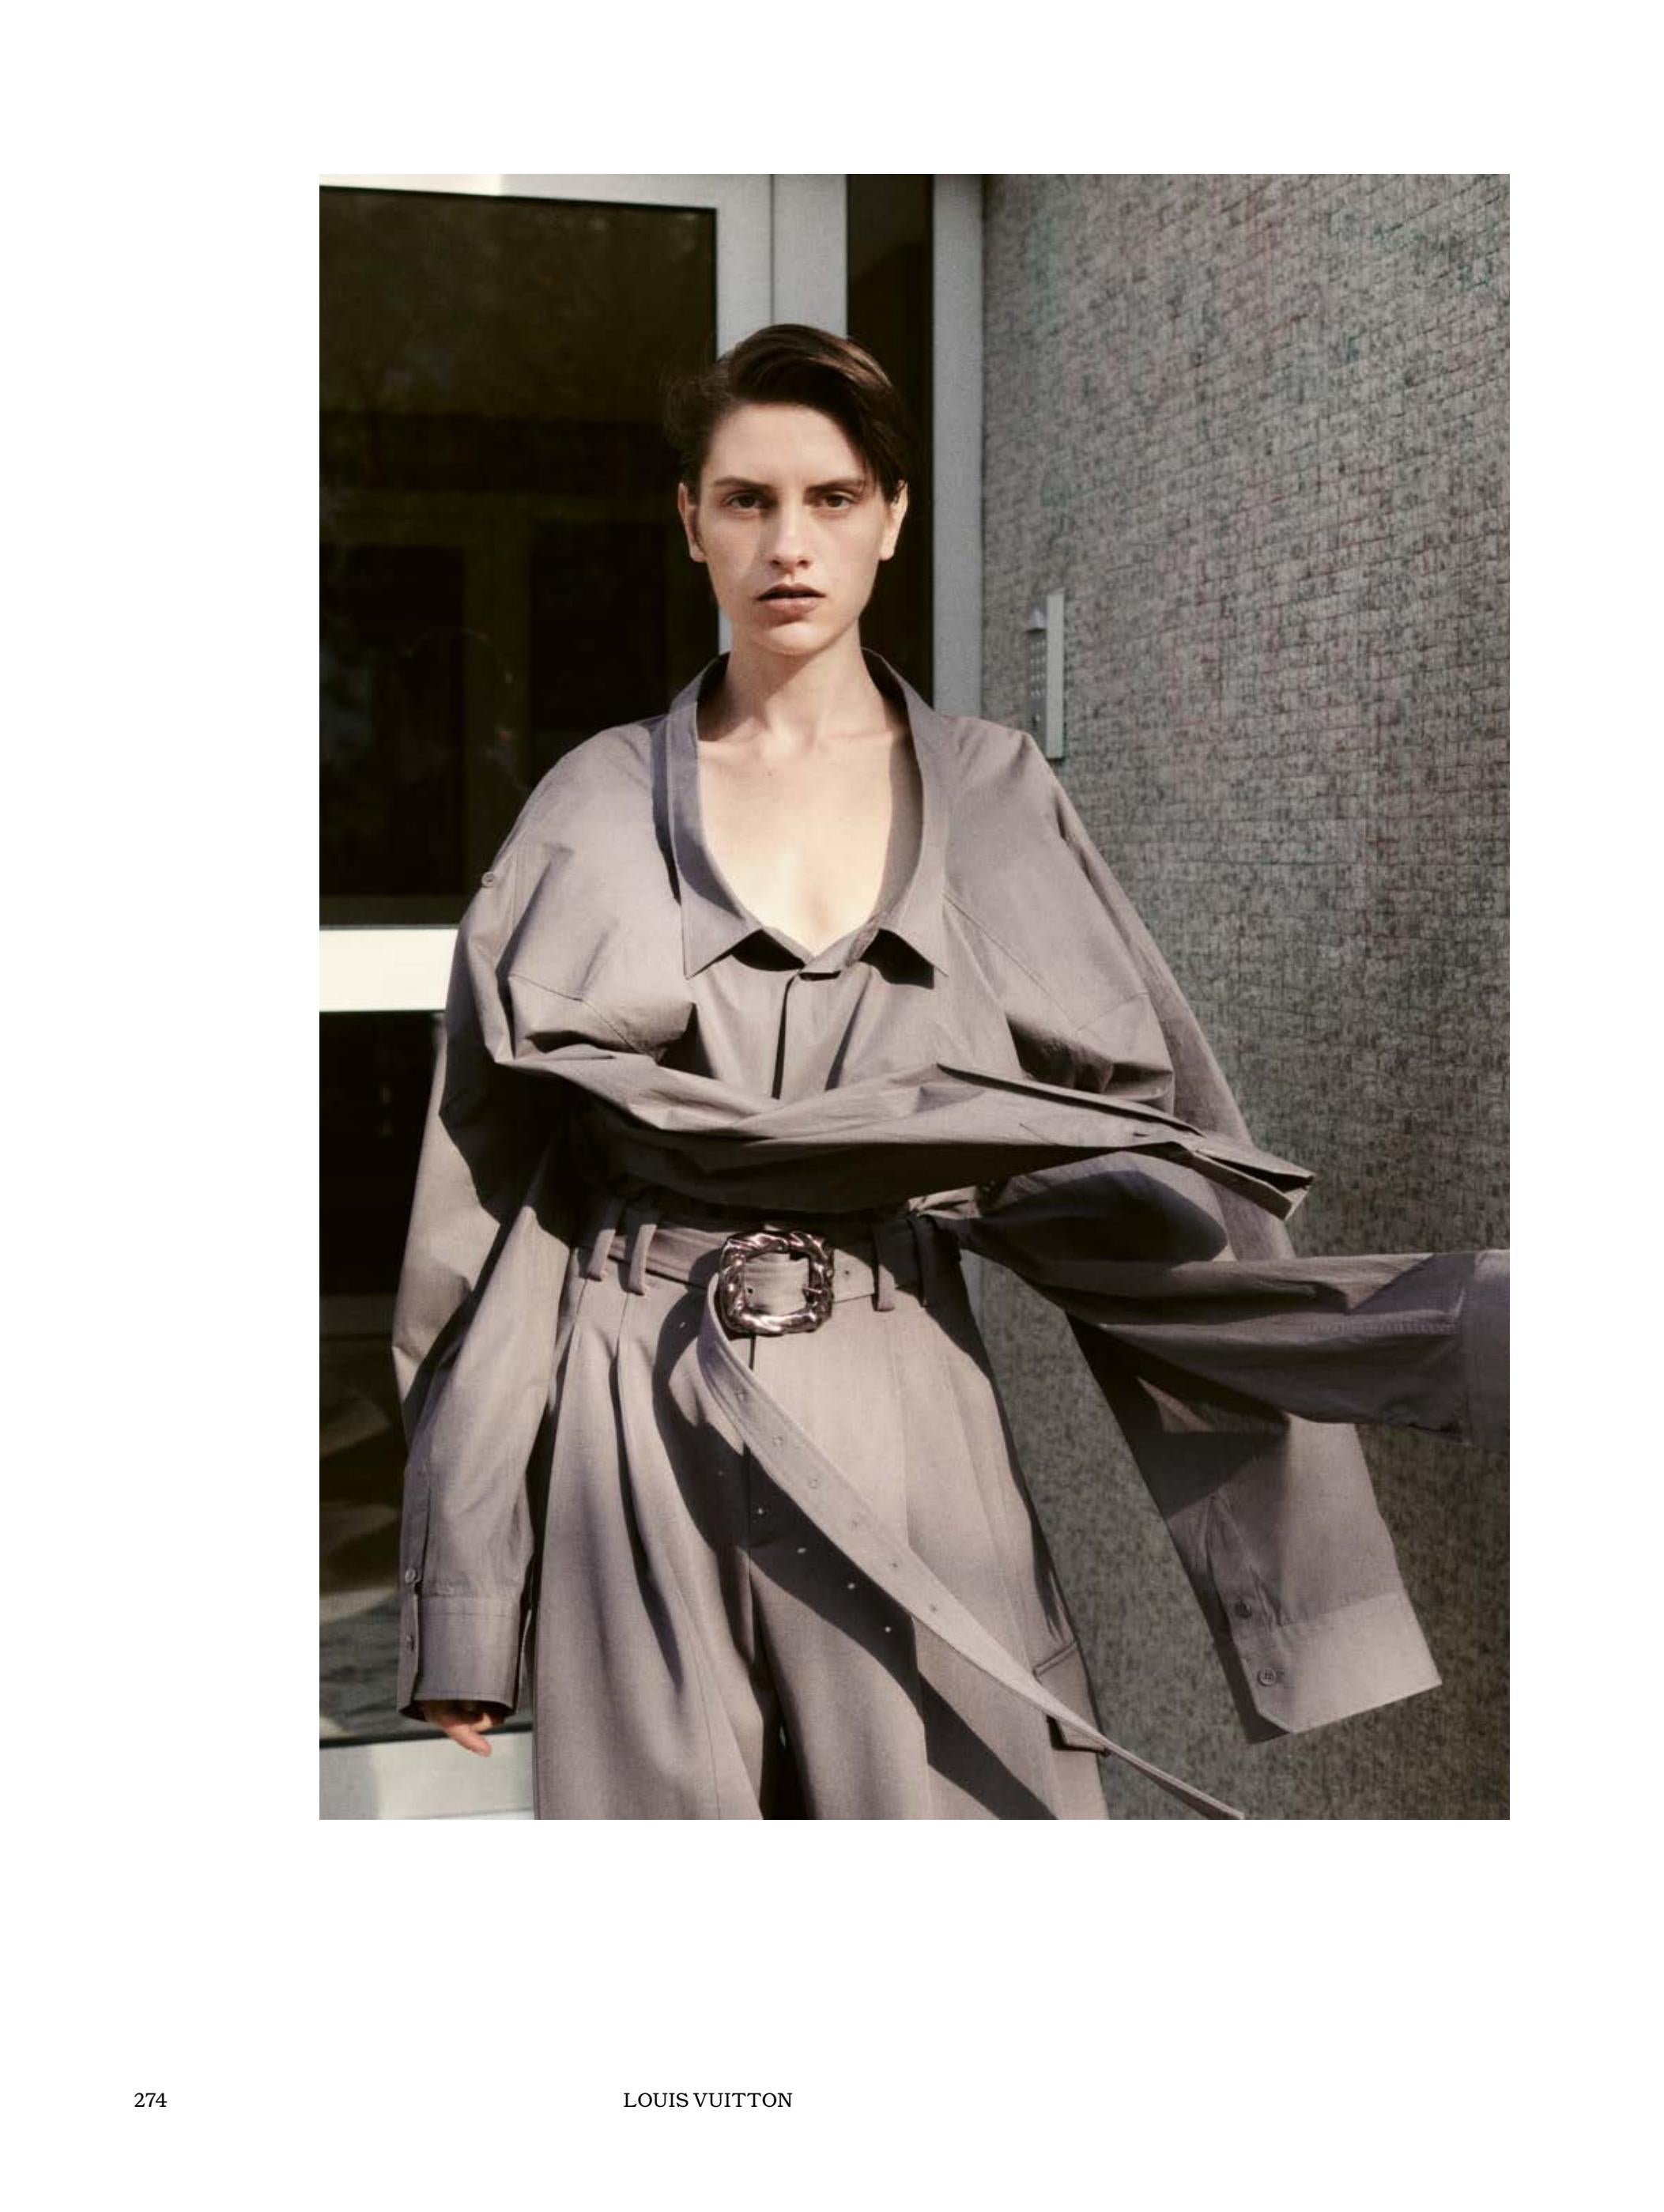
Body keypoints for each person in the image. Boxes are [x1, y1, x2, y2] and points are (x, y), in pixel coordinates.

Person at [395, 323, 1507, 1820]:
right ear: (691, 521)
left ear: (894, 517)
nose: (790, 543)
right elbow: (487, 1209)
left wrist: (1312, 1583)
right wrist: (468, 1588)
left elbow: (1164, 1158)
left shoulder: (994, 792)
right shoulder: (590, 803)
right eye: (747, 500)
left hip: (905, 1365)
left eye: (833, 498)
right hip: (631, 1397)